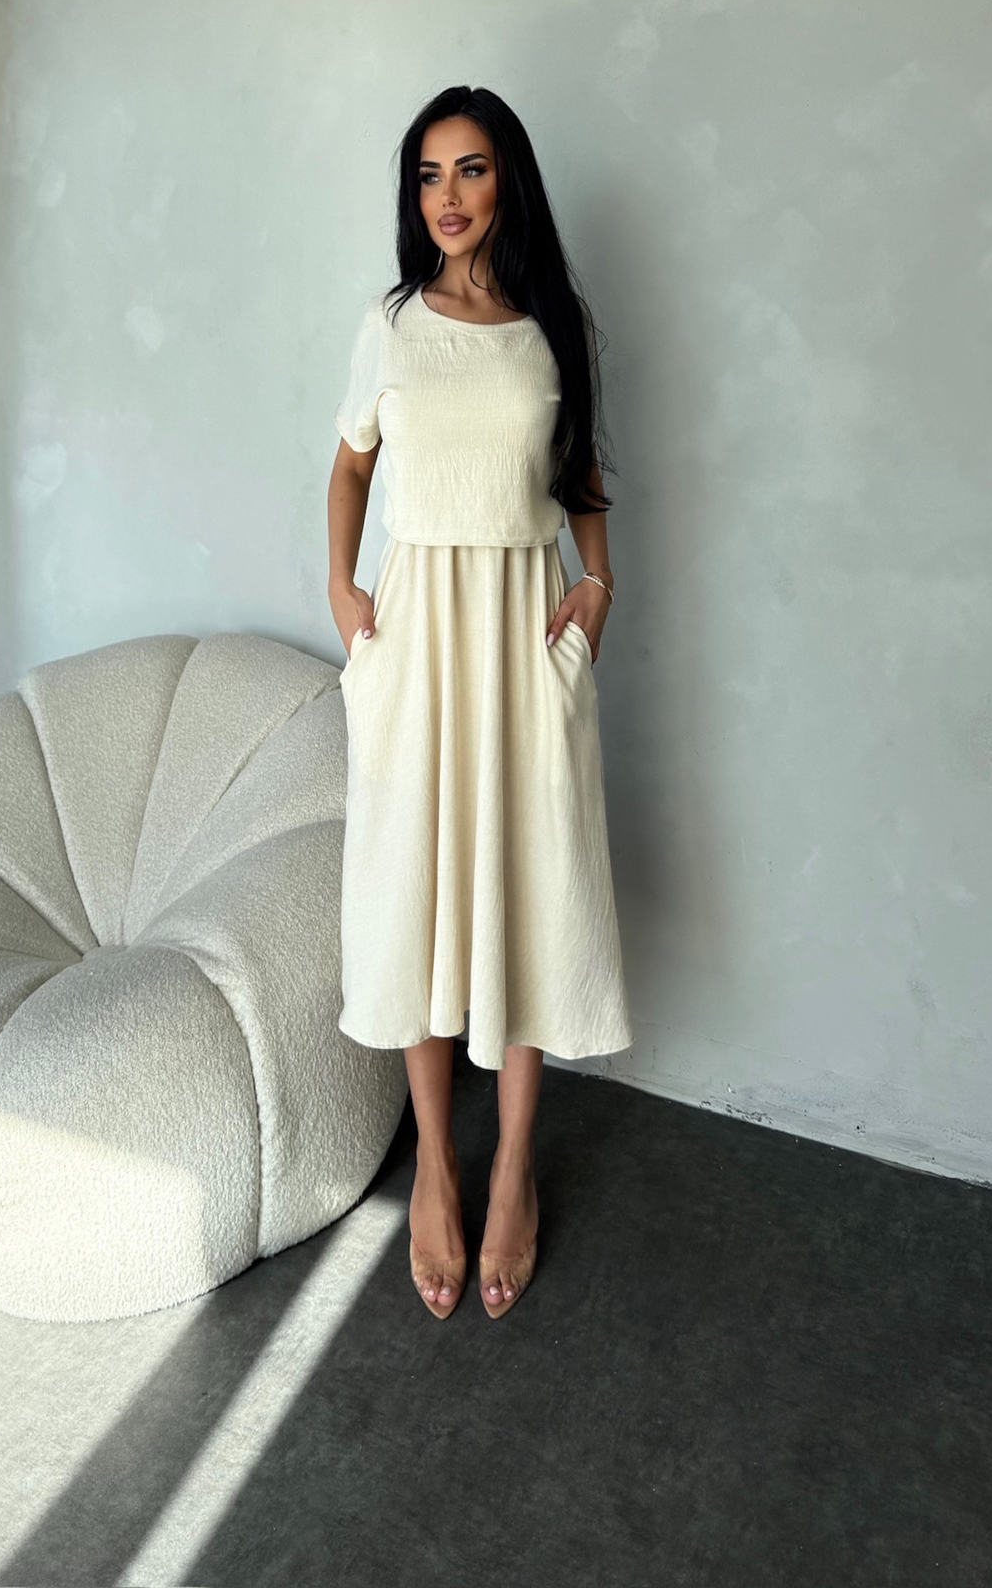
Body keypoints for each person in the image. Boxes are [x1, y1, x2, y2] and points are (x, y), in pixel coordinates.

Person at [326, 84, 633, 1320]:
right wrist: (342, 590)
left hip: (519, 630)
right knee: (415, 880)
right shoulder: (392, 325)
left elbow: (582, 474)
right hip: (415, 639)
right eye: (428, 175)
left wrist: (598, 587)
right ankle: (437, 1171)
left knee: (525, 881)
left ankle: (511, 1168)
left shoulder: (554, 329)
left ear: (510, 182)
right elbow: (351, 463)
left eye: (471, 169)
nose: (447, 197)